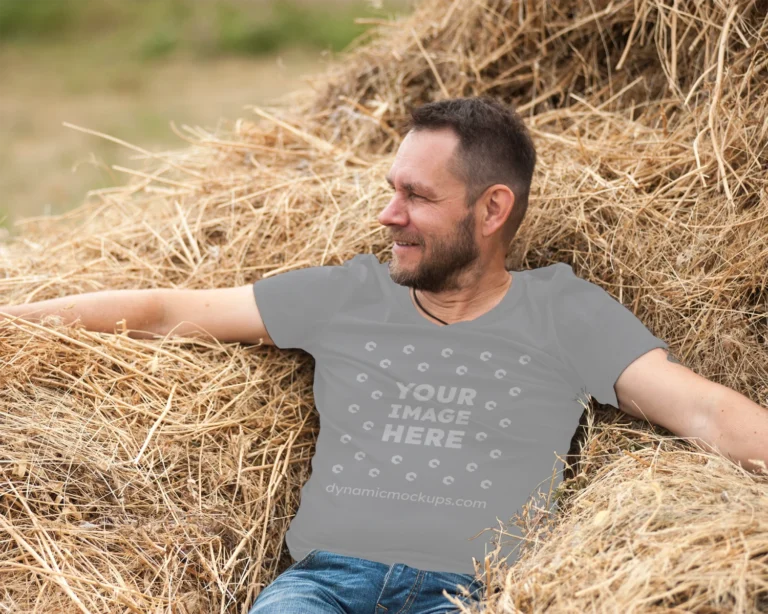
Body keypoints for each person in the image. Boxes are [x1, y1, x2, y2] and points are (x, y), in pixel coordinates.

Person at [2, 97, 748, 613]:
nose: (389, 215)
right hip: (322, 588)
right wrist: (15, 322)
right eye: (392, 190)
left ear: (492, 210)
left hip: (474, 593)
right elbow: (167, 312)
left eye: (417, 197)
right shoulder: (349, 295)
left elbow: (703, 409)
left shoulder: (565, 311)